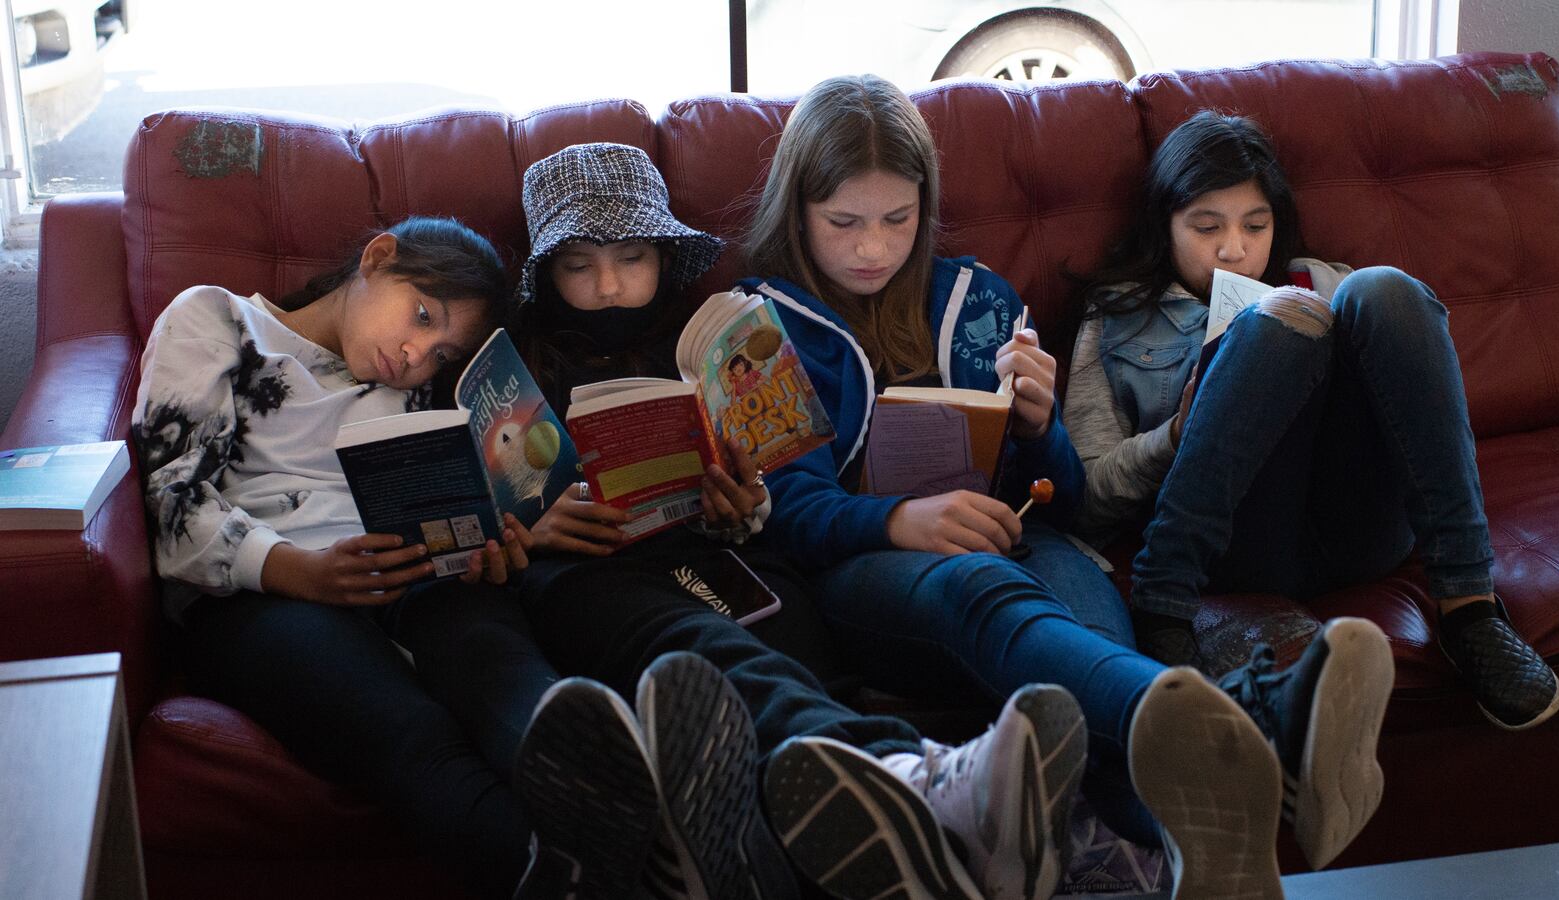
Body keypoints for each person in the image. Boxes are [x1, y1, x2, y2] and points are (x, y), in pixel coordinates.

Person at [737, 74, 1395, 893]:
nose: (872, 247)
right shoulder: (757, 329)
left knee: (1090, 647)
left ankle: (1189, 857)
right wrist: (899, 519)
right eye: (844, 223)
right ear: (798, 210)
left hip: (1028, 537)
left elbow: (1071, 499)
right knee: (981, 587)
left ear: (925, 208)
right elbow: (782, 509)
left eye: (897, 220)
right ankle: (1262, 723)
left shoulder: (980, 302)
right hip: (870, 568)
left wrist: (1041, 430)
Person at [483, 140, 1091, 900]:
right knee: (691, 646)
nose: (608, 285)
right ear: (545, 275)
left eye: (632, 257)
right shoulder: (512, 368)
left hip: (724, 553)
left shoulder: (708, 341)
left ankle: (784, 854)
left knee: (789, 634)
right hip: (595, 571)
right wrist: (533, 529)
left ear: (663, 260)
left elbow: (776, 490)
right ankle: (912, 783)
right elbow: (489, 526)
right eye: (578, 266)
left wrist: (744, 505)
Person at [1062, 110, 1559, 733]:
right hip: (1234, 539)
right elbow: (1083, 497)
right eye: (1205, 226)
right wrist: (1175, 434)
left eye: (1256, 225)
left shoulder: (1327, 280)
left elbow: (1418, 407)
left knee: (1385, 290)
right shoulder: (1118, 318)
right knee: (1280, 322)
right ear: (1164, 226)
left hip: (1361, 526)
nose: (1233, 249)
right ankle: (1161, 604)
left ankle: (1469, 608)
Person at [130, 217, 558, 897]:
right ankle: (551, 872)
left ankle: (590, 783)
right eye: (422, 315)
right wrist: (302, 573)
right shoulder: (219, 320)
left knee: (493, 659)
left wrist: (484, 545)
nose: (418, 355)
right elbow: (171, 501)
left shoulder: (419, 395)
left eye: (443, 353)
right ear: (378, 256)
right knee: (408, 732)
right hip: (261, 592)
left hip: (410, 568)